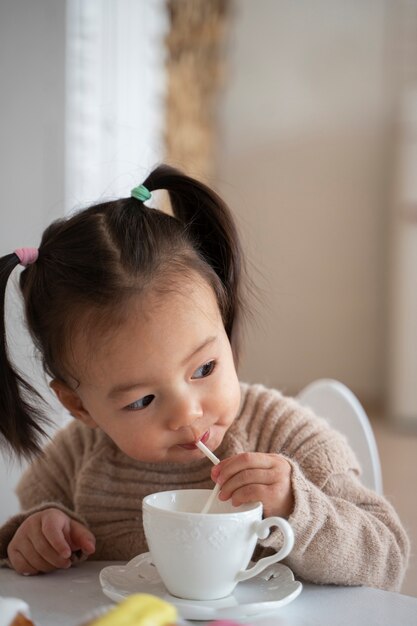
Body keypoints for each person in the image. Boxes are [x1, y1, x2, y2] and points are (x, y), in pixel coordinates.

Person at [0, 165, 409, 591]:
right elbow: (25, 554)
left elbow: (388, 560)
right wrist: (33, 536)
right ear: (79, 406)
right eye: (141, 401)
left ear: (226, 329)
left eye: (204, 369)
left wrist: (293, 505)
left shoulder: (286, 437)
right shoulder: (73, 460)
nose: (187, 413)